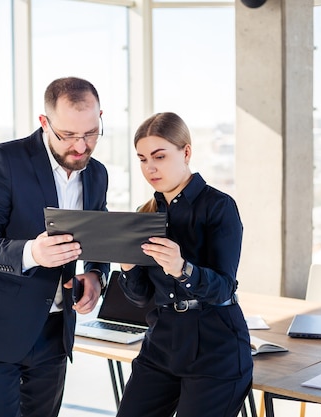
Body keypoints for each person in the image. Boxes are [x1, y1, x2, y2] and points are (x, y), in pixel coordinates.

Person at [0, 76, 110, 417]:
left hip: (53, 332)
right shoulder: (3, 161)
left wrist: (96, 275)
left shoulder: (97, 174)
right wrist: (30, 253)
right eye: (68, 135)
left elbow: (98, 235)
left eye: (91, 133)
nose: (80, 146)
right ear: (44, 123)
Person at [115, 112, 253, 417]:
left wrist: (182, 268)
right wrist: (127, 266)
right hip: (161, 346)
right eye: (141, 159)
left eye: (159, 156)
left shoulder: (219, 207)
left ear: (186, 152)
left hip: (215, 349)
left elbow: (223, 289)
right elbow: (141, 298)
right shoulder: (144, 213)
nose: (149, 167)